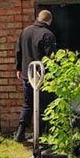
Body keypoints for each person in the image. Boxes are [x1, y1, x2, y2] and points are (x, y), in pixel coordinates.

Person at [14, 10, 58, 144]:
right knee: (44, 105)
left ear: (38, 18)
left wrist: (18, 68)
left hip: (28, 74)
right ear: (49, 21)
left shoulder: (25, 31)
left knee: (27, 104)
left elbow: (18, 51)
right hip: (43, 76)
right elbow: (52, 58)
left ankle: (20, 133)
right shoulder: (47, 34)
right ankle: (40, 136)